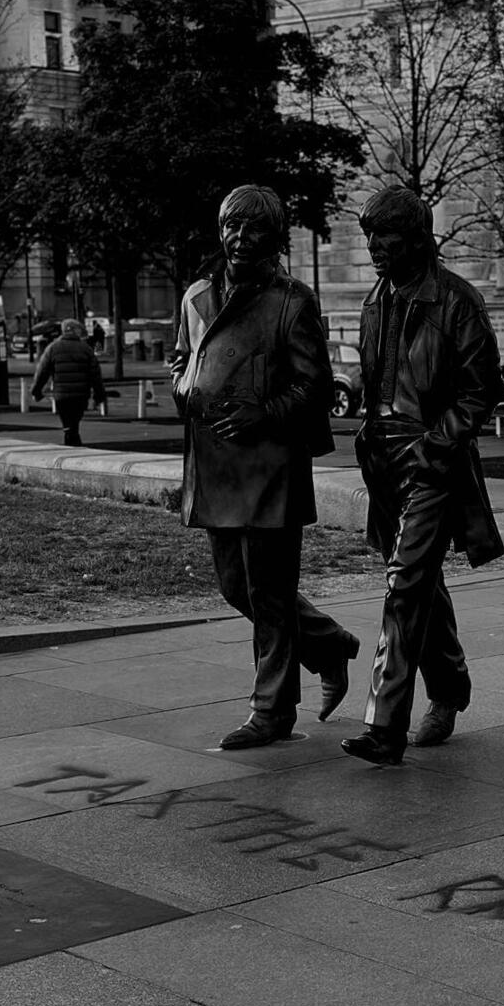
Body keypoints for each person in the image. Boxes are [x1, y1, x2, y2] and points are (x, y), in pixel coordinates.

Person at [171, 184, 360, 751]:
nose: (240, 237)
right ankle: (328, 645)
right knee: (237, 587)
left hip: (270, 464)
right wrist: (186, 388)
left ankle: (272, 710)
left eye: (254, 228)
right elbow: (181, 359)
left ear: (276, 238)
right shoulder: (197, 296)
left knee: (271, 593)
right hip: (216, 464)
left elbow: (315, 385)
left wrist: (266, 412)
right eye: (232, 226)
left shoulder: (291, 302)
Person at [341, 186, 504, 767]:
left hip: (431, 460)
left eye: (383, 236)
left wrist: (435, 444)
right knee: (420, 584)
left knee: (405, 583)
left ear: (415, 238)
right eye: (368, 237)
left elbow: (482, 390)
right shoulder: (375, 299)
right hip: (383, 461)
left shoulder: (457, 301)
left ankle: (384, 727)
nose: (373, 247)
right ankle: (451, 687)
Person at [31, 318, 105, 446]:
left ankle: (71, 440)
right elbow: (95, 374)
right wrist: (99, 394)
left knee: (67, 421)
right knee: (74, 421)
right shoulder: (86, 349)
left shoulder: (52, 348)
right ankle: (72, 439)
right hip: (81, 394)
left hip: (61, 394)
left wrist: (36, 390)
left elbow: (42, 372)